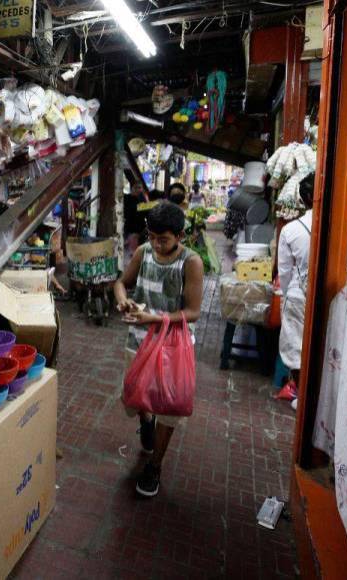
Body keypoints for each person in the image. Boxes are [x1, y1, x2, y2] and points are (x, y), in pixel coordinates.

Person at [114, 202, 204, 498]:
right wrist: (123, 300)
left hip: (173, 346)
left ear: (180, 236)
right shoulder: (143, 252)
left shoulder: (191, 262)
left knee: (169, 405)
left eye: (163, 239)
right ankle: (145, 420)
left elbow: (193, 312)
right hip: (139, 340)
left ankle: (155, 465)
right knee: (138, 393)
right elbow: (121, 283)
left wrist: (154, 319)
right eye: (151, 237)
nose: (156, 244)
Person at [277, 175, 347, 394]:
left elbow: (285, 272)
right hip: (339, 295)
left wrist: (290, 293)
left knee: (296, 349)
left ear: (305, 198)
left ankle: (301, 394)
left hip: (298, 296)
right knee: (332, 348)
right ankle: (324, 399)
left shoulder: (290, 229)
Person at [124, 180, 149, 258]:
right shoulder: (126, 198)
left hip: (141, 228)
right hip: (131, 228)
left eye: (140, 188)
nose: (138, 190)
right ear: (131, 188)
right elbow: (133, 209)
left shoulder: (142, 198)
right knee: (133, 251)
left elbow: (146, 211)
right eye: (136, 188)